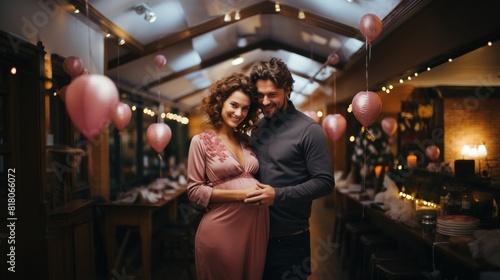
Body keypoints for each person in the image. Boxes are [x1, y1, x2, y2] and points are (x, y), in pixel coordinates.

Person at [245, 57, 335, 280]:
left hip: (289, 242)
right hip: (254, 236)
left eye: (272, 94)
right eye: (260, 95)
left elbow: (325, 182)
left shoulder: (309, 130)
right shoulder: (257, 128)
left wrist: (278, 195)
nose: (265, 101)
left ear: (287, 90)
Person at [186, 72, 269, 280]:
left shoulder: (246, 141)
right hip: (221, 230)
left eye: (245, 108)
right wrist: (241, 195)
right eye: (234, 105)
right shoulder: (201, 141)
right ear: (220, 103)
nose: (239, 113)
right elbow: (194, 191)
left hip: (255, 229)